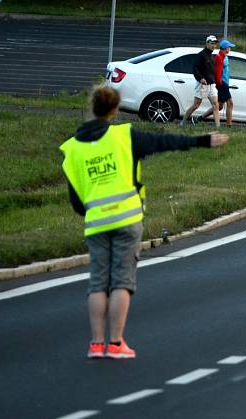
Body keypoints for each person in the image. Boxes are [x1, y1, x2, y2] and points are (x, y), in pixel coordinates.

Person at [61, 86, 228, 359]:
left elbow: (77, 203)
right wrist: (203, 141)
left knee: (97, 282)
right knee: (121, 282)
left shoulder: (72, 149)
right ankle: (115, 344)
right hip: (127, 219)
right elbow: (166, 142)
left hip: (96, 224)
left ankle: (95, 343)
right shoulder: (125, 136)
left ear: (90, 107)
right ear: (115, 111)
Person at [181, 35, 220, 128]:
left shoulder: (211, 55)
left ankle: (218, 126)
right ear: (207, 43)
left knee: (215, 105)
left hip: (211, 84)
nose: (213, 46)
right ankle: (183, 122)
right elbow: (195, 69)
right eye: (211, 43)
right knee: (196, 105)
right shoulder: (201, 55)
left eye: (215, 44)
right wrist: (200, 78)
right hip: (202, 84)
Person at [200, 39, 235, 127]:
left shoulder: (224, 57)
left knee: (218, 106)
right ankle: (229, 124)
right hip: (222, 84)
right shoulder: (219, 57)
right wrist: (220, 83)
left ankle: (200, 118)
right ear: (225, 48)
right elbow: (217, 73)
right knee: (230, 103)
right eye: (229, 47)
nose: (230, 49)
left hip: (224, 83)